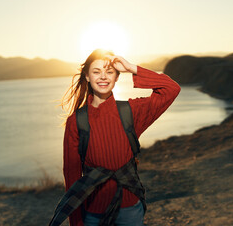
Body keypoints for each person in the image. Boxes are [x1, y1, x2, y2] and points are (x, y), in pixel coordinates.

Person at [60, 49, 180, 226]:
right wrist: (76, 222)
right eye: (96, 71)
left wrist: (131, 67)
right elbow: (72, 175)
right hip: (93, 211)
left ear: (117, 78)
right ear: (87, 76)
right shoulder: (76, 121)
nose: (103, 77)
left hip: (130, 209)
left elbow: (171, 89)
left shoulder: (131, 112)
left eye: (109, 72)